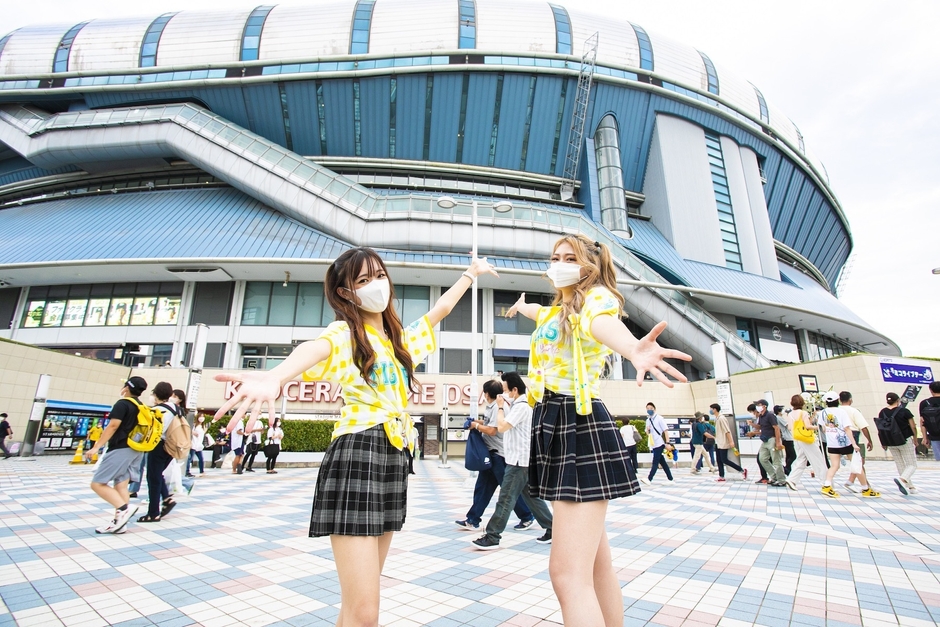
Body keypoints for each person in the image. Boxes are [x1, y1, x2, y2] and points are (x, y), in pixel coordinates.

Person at [214, 247, 495, 627]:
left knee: (356, 606)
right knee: (365, 613)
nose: (377, 285)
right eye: (364, 280)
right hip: (358, 452)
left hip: (394, 455)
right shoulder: (347, 334)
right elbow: (314, 348)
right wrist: (275, 376)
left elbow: (440, 310)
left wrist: (471, 273)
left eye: (379, 275)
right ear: (346, 293)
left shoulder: (399, 342)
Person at [506, 234, 690, 626]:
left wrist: (633, 348)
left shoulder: (595, 299)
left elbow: (603, 323)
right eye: (555, 257)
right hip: (554, 423)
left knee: (567, 575)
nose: (559, 264)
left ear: (589, 266)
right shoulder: (557, 312)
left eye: (569, 258)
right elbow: (539, 312)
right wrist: (522, 306)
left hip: (577, 422)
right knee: (595, 566)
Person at [471, 372, 553, 550]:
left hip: (518, 461)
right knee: (532, 498)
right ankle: (552, 528)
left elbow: (501, 427)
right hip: (520, 460)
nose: (503, 394)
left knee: (506, 499)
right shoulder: (518, 405)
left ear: (515, 390)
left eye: (506, 390)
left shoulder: (521, 407)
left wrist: (500, 407)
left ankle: (492, 536)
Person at [456, 379, 535, 531]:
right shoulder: (493, 406)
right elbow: (489, 423)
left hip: (499, 455)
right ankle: (472, 519)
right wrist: (476, 422)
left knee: (508, 490)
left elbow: (493, 430)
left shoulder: (500, 407)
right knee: (482, 489)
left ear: (486, 393)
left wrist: (475, 425)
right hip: (492, 455)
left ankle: (527, 516)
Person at [84, 377, 148, 534]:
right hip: (136, 449)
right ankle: (120, 524)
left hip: (120, 448)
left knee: (97, 483)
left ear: (127, 387)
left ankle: (123, 509)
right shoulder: (141, 406)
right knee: (121, 486)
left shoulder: (123, 404)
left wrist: (96, 447)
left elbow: (113, 426)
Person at [820, 391, 880, 498]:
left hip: (832, 443)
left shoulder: (823, 412)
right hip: (845, 442)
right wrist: (854, 443)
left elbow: (823, 428)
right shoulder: (841, 412)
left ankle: (827, 485)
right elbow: (847, 428)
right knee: (857, 464)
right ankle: (865, 489)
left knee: (834, 466)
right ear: (837, 400)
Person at [138, 382, 178, 523]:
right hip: (172, 446)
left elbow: (154, 430)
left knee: (153, 478)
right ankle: (166, 499)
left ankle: (153, 513)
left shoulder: (158, 410)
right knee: (157, 474)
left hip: (158, 446)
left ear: (155, 394)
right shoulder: (175, 408)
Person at [785, 394, 827, 491]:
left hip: (797, 438)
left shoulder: (790, 414)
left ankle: (792, 479)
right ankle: (825, 482)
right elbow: (807, 426)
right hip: (806, 439)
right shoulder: (803, 413)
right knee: (818, 459)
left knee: (801, 459)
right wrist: (817, 427)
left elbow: (790, 427)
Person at [880, 392, 918, 495]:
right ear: (898, 400)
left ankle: (910, 487)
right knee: (912, 464)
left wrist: (883, 442)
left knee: (900, 463)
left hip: (890, 441)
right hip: (904, 440)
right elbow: (913, 426)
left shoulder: (882, 412)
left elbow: (881, 428)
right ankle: (903, 480)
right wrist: (915, 438)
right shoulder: (904, 411)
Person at [839, 391, 873, 491]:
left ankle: (851, 481)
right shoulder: (854, 411)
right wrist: (870, 440)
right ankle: (865, 485)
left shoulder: (837, 411)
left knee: (856, 462)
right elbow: (863, 427)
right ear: (850, 400)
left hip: (840, 439)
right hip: (855, 438)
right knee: (859, 462)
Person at [746, 400, 786, 486]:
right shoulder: (761, 416)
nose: (757, 407)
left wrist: (778, 442)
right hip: (765, 440)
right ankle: (774, 477)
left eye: (759, 405)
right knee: (762, 459)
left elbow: (776, 428)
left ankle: (781, 480)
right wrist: (752, 424)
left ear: (764, 406)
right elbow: (760, 427)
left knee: (776, 461)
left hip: (772, 439)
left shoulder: (770, 415)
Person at [641, 402, 674, 485]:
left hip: (660, 442)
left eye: (651, 408)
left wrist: (667, 443)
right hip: (653, 443)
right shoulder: (648, 420)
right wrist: (647, 430)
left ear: (654, 409)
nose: (649, 410)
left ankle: (649, 479)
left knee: (655, 461)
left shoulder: (659, 418)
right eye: (647, 409)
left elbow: (665, 431)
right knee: (662, 462)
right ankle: (670, 479)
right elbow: (647, 433)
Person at [711, 404, 745, 482]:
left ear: (715, 409)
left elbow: (727, 431)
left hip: (723, 442)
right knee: (719, 460)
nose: (710, 410)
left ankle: (741, 470)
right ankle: (721, 476)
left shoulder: (721, 418)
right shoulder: (716, 418)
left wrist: (731, 441)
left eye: (711, 409)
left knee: (724, 460)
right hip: (718, 442)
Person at [920, 381, 940, 461]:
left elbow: (922, 422)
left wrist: (925, 438)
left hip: (934, 436)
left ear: (931, 390)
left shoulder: (924, 403)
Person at [774, 405, 796, 475]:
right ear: (778, 411)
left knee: (789, 455)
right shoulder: (779, 417)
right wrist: (790, 417)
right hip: (787, 438)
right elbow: (788, 425)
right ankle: (786, 468)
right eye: (782, 409)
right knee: (793, 455)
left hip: (786, 438)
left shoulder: (778, 418)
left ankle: (788, 470)